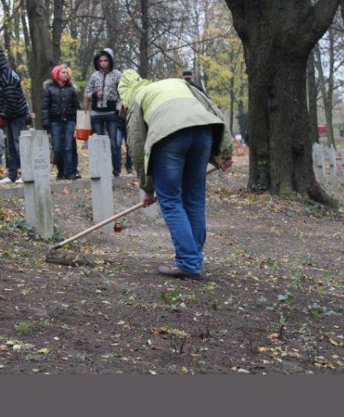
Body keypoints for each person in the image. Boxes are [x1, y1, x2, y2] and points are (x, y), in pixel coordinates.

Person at [118, 69, 233, 279]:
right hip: (203, 132)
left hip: (169, 137)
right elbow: (211, 107)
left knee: (170, 201)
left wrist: (147, 187)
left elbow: (136, 144)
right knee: (195, 200)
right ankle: (194, 258)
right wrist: (224, 152)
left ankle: (188, 262)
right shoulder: (177, 83)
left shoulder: (136, 98)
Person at [0, 48, 29, 184]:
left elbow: (12, 100)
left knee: (18, 144)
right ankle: (12, 174)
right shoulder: (2, 75)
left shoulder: (8, 76)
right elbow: (4, 92)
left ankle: (25, 174)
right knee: (9, 146)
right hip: (10, 114)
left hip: (16, 115)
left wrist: (3, 116)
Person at [83, 48, 122, 177]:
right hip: (96, 113)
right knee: (98, 142)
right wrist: (94, 95)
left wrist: (118, 107)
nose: (103, 63)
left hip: (111, 113)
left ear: (110, 61)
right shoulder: (94, 76)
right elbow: (86, 93)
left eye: (106, 60)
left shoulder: (117, 75)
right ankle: (99, 169)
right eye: (101, 61)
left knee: (113, 143)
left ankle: (116, 169)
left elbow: (123, 93)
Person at [41, 64, 80, 180]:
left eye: (67, 72)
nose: (66, 74)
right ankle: (61, 171)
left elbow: (77, 107)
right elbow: (45, 108)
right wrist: (46, 123)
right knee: (57, 148)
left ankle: (70, 172)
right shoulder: (50, 90)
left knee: (68, 147)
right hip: (55, 122)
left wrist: (77, 124)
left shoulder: (72, 90)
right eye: (63, 72)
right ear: (56, 74)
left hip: (69, 122)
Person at [115, 101, 133, 175]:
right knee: (117, 144)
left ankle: (129, 167)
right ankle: (118, 168)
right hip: (118, 126)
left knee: (129, 146)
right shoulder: (117, 100)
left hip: (129, 126)